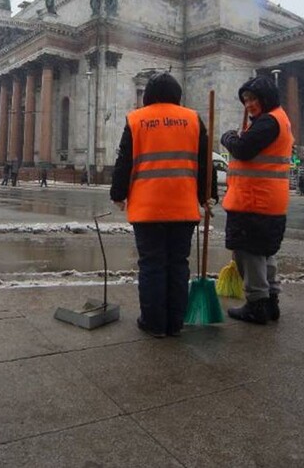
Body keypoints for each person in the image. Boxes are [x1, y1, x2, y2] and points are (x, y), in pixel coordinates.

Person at [110, 72, 216, 338]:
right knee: (179, 264)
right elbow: (205, 162)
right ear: (177, 95)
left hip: (148, 208)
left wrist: (118, 193)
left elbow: (125, 160)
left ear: (147, 96)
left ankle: (154, 322)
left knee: (152, 264)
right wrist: (207, 196)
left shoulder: (137, 119)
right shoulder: (193, 119)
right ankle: (175, 323)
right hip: (183, 206)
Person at [220, 76, 294, 325]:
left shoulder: (269, 122)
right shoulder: (278, 119)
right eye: (246, 100)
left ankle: (256, 304)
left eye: (253, 98)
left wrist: (228, 137)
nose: (249, 104)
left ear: (266, 97)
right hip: (268, 200)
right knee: (264, 253)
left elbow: (242, 149)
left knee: (249, 254)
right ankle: (270, 302)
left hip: (254, 200)